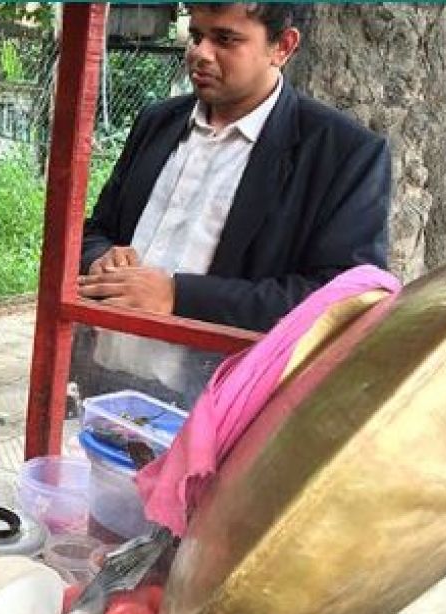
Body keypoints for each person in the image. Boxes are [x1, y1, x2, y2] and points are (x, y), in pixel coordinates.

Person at [72, 2, 391, 407]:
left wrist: (178, 297)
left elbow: (341, 301)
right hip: (106, 380)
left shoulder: (341, 152)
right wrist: (101, 258)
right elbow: (96, 229)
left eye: (225, 39)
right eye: (196, 36)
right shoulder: (158, 122)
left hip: (225, 406)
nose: (200, 53)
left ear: (283, 47)